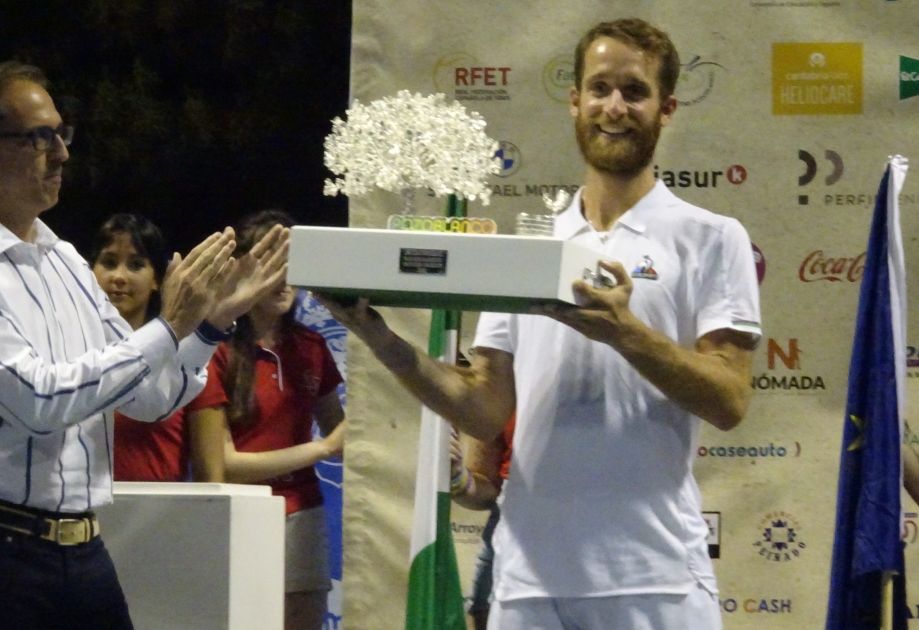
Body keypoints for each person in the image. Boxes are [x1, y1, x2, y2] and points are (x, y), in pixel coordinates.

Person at [321, 17, 761, 630]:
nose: (615, 106)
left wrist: (624, 332)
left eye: (635, 91)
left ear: (666, 110)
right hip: (527, 582)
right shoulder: (532, 251)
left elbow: (730, 400)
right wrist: (379, 337)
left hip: (654, 576)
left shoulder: (712, 239)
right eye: (600, 88)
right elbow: (481, 410)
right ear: (575, 100)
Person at [0, 61, 288, 629]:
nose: (61, 154)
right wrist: (168, 328)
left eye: (61, 135)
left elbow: (148, 397)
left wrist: (210, 326)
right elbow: (39, 404)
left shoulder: (65, 260)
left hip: (83, 546)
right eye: (37, 139)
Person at [188, 210, 346, 630]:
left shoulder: (311, 346)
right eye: (272, 265)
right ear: (244, 271)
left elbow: (342, 436)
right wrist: (323, 449)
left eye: (294, 267)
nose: (284, 278)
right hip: (238, 513)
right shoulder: (215, 350)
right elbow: (224, 465)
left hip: (303, 513)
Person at [90, 213, 227, 482]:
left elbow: (210, 476)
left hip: (160, 518)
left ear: (158, 279)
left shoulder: (190, 356)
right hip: (77, 516)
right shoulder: (69, 349)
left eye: (136, 265)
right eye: (108, 262)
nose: (119, 276)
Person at [449, 418, 515, 630]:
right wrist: (457, 476)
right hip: (516, 532)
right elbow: (486, 492)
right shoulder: (503, 389)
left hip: (610, 539)